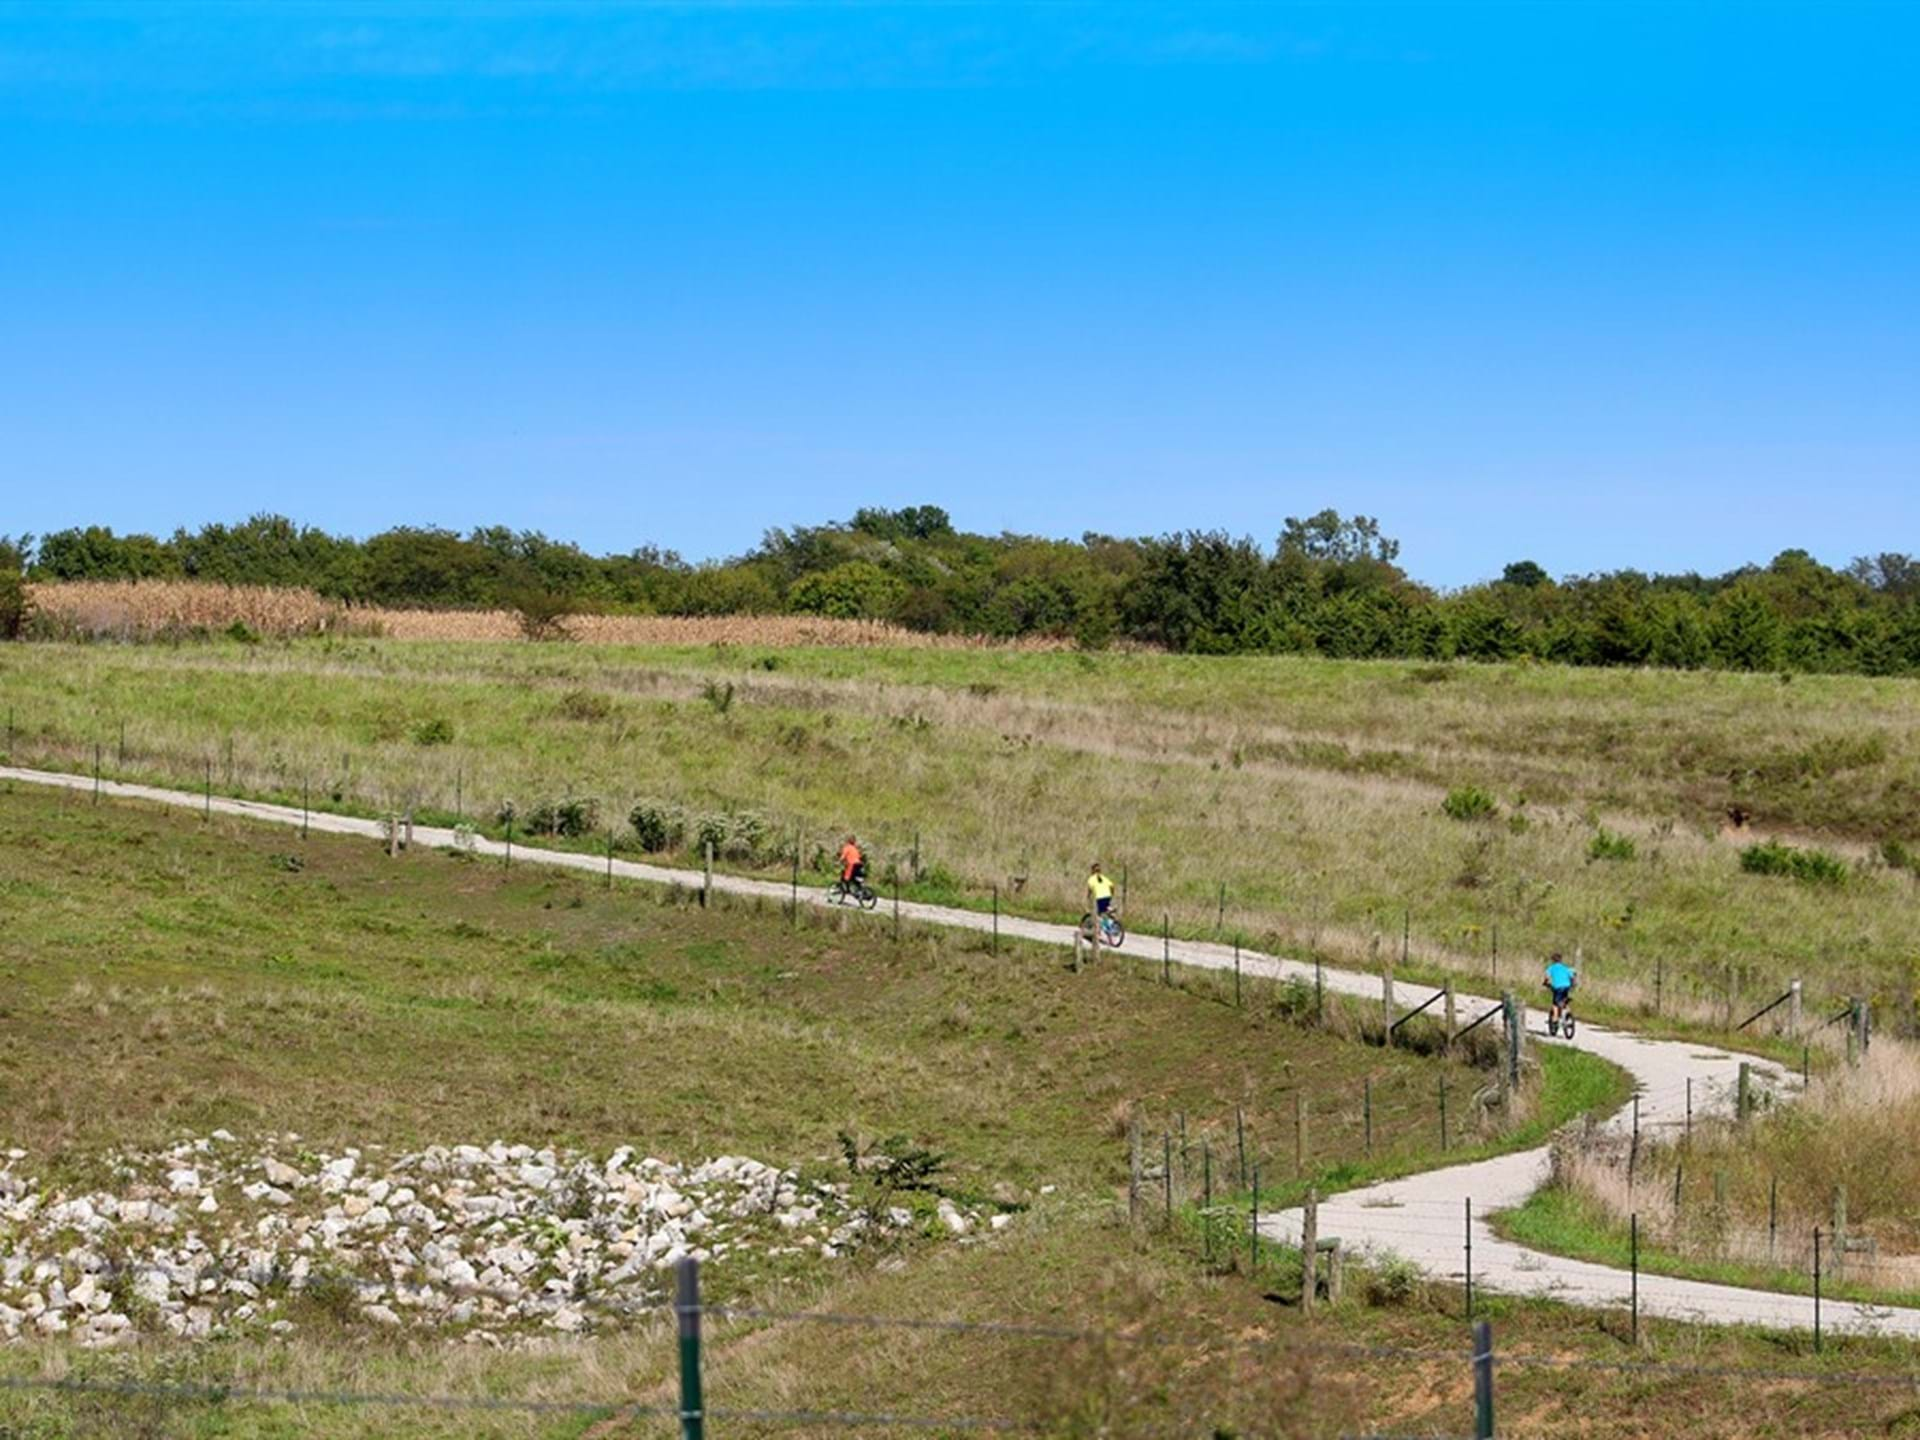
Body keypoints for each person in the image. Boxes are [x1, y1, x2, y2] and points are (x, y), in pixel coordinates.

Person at [1543, 951, 1577, 1031]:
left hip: (1557, 987)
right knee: (1564, 1001)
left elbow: (1547, 977)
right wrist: (1572, 984)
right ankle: (1567, 1014)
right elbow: (1572, 977)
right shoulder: (1565, 968)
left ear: (1553, 960)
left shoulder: (1551, 968)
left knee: (1555, 1004)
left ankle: (1555, 1021)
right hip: (1566, 987)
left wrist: (1546, 983)